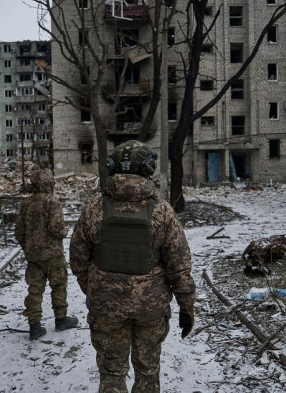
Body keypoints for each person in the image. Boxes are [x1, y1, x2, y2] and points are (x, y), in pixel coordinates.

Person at [70, 140, 196, 392]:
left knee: (111, 374)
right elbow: (179, 266)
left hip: (105, 308)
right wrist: (186, 306)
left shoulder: (94, 208)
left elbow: (78, 259)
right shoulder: (162, 211)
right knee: (148, 372)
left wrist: (97, 289)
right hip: (150, 309)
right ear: (147, 169)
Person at [15, 169, 79, 341]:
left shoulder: (26, 204)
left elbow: (19, 232)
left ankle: (34, 326)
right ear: (49, 183)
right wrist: (65, 232)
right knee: (58, 286)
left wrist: (28, 247)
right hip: (53, 254)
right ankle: (61, 319)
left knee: (34, 289)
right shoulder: (53, 202)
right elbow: (56, 229)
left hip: (33, 256)